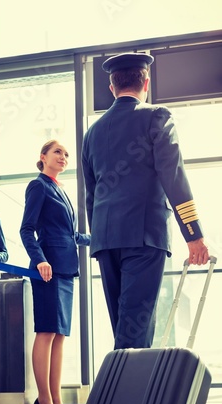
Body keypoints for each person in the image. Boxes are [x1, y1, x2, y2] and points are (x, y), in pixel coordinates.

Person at [81, 52, 209, 351]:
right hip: (144, 235)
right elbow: (173, 175)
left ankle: (122, 391)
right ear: (146, 83)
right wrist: (193, 234)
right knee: (134, 329)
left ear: (112, 87)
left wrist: (99, 235)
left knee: (124, 328)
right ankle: (127, 396)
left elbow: (91, 194)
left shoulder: (92, 133)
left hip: (106, 240)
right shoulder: (157, 116)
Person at [20, 140, 90, 404]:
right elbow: (26, 228)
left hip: (66, 269)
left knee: (60, 336)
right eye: (58, 152)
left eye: (66, 154)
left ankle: (57, 400)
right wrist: (39, 260)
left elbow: (70, 235)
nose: (63, 156)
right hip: (47, 269)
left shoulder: (60, 189)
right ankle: (45, 402)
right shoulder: (39, 186)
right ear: (43, 157)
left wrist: (101, 239)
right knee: (47, 332)